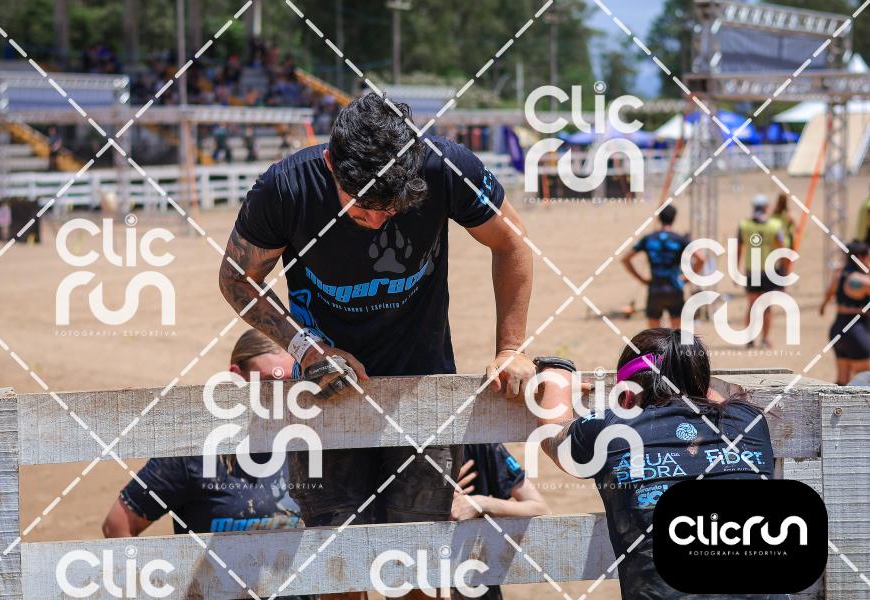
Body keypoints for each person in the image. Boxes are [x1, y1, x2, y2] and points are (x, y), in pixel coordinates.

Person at [218, 93, 535, 565]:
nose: (377, 221)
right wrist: (308, 349)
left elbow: (513, 243)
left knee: (419, 565)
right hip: (325, 393)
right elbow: (236, 278)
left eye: (393, 209)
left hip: (423, 385)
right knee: (335, 564)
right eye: (363, 209)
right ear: (331, 165)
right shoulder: (287, 188)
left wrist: (511, 348)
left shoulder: (444, 166)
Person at [535, 328, 783, 600]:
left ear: (627, 397)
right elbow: (710, 398)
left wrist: (557, 374)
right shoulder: (748, 421)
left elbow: (552, 434)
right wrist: (689, 381)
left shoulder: (609, 429)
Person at [102, 329, 304, 539]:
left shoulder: (314, 440)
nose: (283, 394)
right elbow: (117, 525)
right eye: (270, 382)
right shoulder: (194, 450)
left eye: (292, 382)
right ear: (236, 377)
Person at [449, 443, 549, 600]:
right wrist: (436, 503)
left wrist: (481, 504)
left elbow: (541, 509)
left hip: (475, 582)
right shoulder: (406, 451)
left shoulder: (479, 442)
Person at [622, 206, 702, 328]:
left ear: (659, 219)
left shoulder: (649, 239)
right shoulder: (679, 239)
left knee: (655, 334)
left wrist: (641, 279)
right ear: (674, 219)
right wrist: (687, 278)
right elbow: (701, 259)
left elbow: (625, 259)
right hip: (674, 288)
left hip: (655, 288)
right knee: (677, 334)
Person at [738, 194, 786, 348]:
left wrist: (737, 268)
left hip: (752, 270)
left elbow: (739, 248)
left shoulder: (744, 225)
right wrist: (783, 271)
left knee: (752, 305)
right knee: (766, 307)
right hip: (769, 271)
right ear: (766, 207)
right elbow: (782, 248)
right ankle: (764, 339)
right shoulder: (775, 225)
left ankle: (749, 339)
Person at [820, 240, 870, 385]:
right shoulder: (862, 281)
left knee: (842, 381)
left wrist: (823, 306)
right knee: (865, 380)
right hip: (856, 331)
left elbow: (829, 293)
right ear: (860, 258)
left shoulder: (839, 276)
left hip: (837, 329)